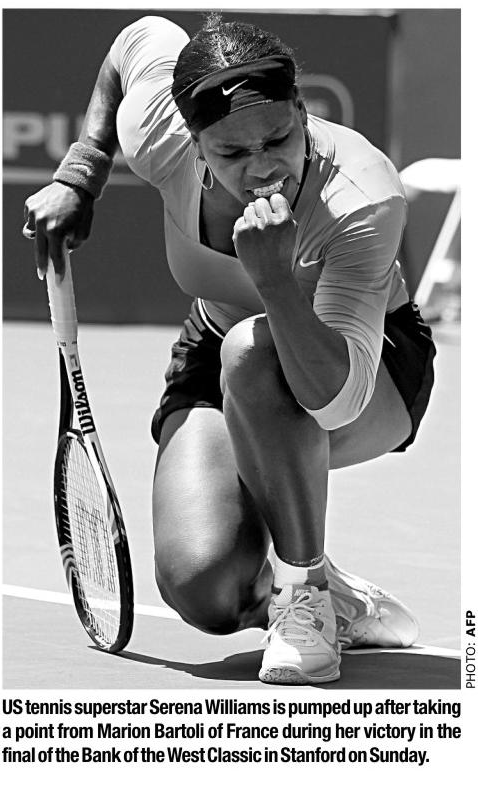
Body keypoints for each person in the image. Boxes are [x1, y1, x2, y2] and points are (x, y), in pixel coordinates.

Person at [23, 13, 436, 685]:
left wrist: (275, 280)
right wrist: (83, 170)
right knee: (205, 589)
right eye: (231, 153)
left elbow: (335, 403)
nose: (261, 167)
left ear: (301, 110)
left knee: (253, 348)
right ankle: (339, 598)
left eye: (278, 138)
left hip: (365, 366)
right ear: (192, 143)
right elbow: (136, 41)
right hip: (218, 347)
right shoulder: (159, 135)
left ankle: (305, 597)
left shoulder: (362, 196)